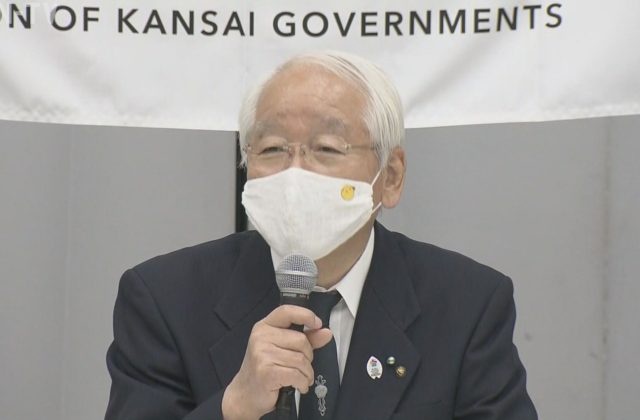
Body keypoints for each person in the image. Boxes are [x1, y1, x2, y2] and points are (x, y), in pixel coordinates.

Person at [105, 51, 537, 420]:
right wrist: (233, 407)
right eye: (272, 149)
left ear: (390, 176)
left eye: (328, 148)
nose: (296, 173)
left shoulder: (467, 305)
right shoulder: (165, 299)